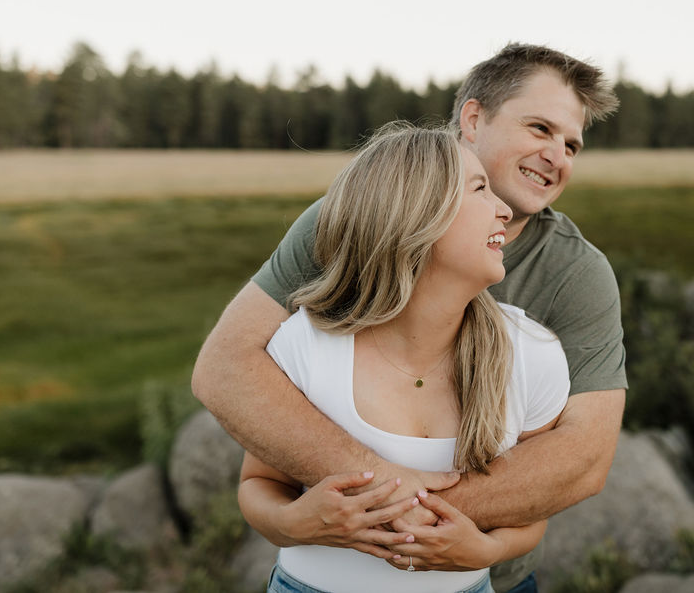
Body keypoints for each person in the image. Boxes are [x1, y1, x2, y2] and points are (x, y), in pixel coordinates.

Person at [193, 43, 627, 592]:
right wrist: (377, 497)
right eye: (540, 128)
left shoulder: (572, 279)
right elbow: (225, 368)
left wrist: (404, 516)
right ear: (473, 118)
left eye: (572, 145)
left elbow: (584, 458)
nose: (558, 156)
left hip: (486, 576)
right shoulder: (349, 224)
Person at [239, 122, 570, 592]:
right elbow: (257, 484)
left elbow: (531, 509)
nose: (503, 209)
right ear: (416, 214)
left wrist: (489, 551)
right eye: (480, 189)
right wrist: (295, 523)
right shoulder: (304, 344)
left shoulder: (532, 353)